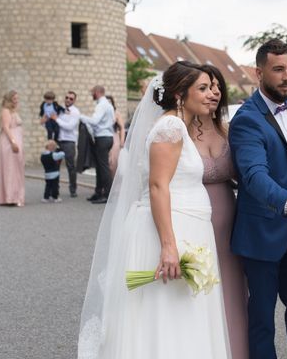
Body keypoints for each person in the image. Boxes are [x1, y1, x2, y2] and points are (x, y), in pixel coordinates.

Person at [78, 63, 230, 359]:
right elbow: (158, 186)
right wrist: (169, 247)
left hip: (189, 228)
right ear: (179, 95)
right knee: (169, 317)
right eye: (201, 88)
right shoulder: (170, 127)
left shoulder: (178, 126)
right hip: (173, 231)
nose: (210, 94)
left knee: (181, 316)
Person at [229, 39, 287, 359]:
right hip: (261, 233)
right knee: (262, 319)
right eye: (278, 69)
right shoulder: (246, 119)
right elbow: (254, 176)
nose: (286, 77)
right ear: (259, 72)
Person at [195, 63, 248, 359]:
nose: (213, 92)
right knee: (201, 291)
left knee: (231, 292)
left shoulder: (227, 130)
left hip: (230, 221)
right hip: (193, 220)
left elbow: (244, 175)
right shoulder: (178, 131)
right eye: (206, 87)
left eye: (217, 86)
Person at [80, 86, 115, 204]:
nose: (92, 95)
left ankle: (107, 194)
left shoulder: (101, 105)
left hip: (102, 138)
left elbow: (95, 121)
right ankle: (99, 192)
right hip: (107, 137)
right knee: (100, 167)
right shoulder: (108, 105)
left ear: (97, 92)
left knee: (103, 167)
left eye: (92, 93)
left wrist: (81, 116)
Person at [0, 90, 25, 207]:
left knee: (17, 169)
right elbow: (6, 128)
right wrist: (13, 142)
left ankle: (16, 196)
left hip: (17, 140)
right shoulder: (6, 111)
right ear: (9, 100)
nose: (17, 101)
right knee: (11, 169)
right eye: (14, 99)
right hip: (9, 142)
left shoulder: (14, 111)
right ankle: (11, 197)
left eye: (17, 98)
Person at [54, 91, 80, 198]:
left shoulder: (75, 112)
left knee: (71, 166)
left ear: (74, 100)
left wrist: (57, 120)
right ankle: (55, 189)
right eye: (67, 97)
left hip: (69, 141)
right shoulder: (59, 110)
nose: (68, 100)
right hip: (58, 141)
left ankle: (73, 189)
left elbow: (70, 127)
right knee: (55, 165)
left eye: (71, 98)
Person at [106, 95, 125, 178]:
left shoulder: (116, 113)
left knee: (113, 162)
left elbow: (122, 128)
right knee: (106, 162)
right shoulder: (102, 113)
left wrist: (122, 141)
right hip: (104, 137)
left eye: (109, 102)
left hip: (114, 138)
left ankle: (113, 182)